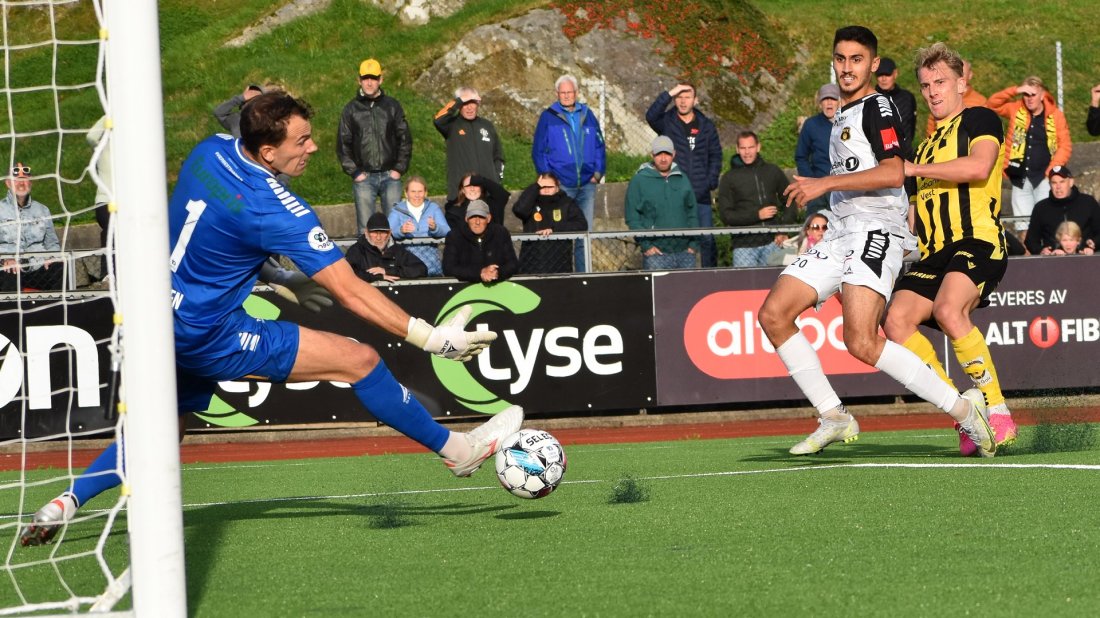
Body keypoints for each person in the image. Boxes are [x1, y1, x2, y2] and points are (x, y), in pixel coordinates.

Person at [21, 92, 521, 546]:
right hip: (207, 332)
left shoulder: (208, 150)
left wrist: (277, 274)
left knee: (162, 429)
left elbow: (212, 229)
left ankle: (66, 501)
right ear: (267, 152)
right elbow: (349, 290)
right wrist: (433, 339)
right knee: (361, 360)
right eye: (301, 140)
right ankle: (457, 450)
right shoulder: (277, 208)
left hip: (150, 319)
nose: (313, 148)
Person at [760, 26, 994, 458]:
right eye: (841, 59)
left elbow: (894, 170)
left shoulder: (879, 108)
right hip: (840, 229)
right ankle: (833, 415)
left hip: (877, 231)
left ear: (872, 64)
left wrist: (822, 184)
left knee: (862, 341)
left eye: (856, 60)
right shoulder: (839, 115)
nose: (847, 67)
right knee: (774, 314)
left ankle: (965, 410)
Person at [885, 41, 1017, 457]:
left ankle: (997, 408)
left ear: (963, 81)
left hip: (977, 240)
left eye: (940, 81)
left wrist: (913, 169)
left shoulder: (979, 118)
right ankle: (964, 413)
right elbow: (912, 217)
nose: (932, 92)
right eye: (925, 85)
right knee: (895, 321)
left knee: (947, 308)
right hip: (935, 254)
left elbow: (979, 167)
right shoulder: (923, 146)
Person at [532, 74, 606, 272]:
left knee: (585, 234)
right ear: (557, 94)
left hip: (587, 184)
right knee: (561, 234)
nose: (566, 96)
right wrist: (550, 179)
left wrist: (598, 173)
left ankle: (585, 275)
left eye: (569, 92)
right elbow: (538, 151)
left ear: (576, 93)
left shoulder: (588, 115)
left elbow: (599, 145)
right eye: (562, 92)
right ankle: (562, 275)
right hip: (562, 185)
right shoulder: (548, 117)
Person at [645, 82, 722, 267]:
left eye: (687, 96)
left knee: (706, 240)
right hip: (674, 195)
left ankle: (709, 279)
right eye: (679, 96)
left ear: (695, 100)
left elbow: (716, 155)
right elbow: (651, 116)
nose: (683, 101)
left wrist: (709, 182)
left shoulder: (706, 125)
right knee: (677, 241)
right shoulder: (667, 122)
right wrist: (670, 92)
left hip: (700, 194)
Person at [986, 75, 1072, 234]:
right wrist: (1016, 90)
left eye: (1033, 94)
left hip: (1045, 177)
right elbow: (992, 104)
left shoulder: (1055, 115)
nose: (1029, 98)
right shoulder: (1016, 108)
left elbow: (1065, 145)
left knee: (1048, 223)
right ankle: (1027, 255)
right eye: (1025, 94)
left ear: (1042, 95)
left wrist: (1051, 171)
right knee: (1022, 225)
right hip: (1020, 177)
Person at [336, 58, 413, 231]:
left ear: (381, 80)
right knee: (365, 228)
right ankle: (367, 259)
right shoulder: (351, 109)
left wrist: (399, 168)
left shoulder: (392, 106)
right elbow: (343, 143)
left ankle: (393, 258)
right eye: (365, 78)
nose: (369, 82)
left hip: (390, 176)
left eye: (373, 78)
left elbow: (404, 138)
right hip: (364, 177)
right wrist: (355, 172)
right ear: (359, 80)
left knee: (395, 227)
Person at [717, 131, 796, 267]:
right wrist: (756, 215)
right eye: (743, 148)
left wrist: (783, 230)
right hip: (743, 246)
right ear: (737, 149)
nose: (747, 152)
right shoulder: (729, 178)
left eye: (751, 147)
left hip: (773, 243)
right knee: (746, 288)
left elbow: (790, 200)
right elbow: (726, 215)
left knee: (776, 286)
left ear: (758, 147)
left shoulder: (772, 171)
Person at [624, 135, 698, 271]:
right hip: (656, 254)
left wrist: (693, 244)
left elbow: (692, 212)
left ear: (674, 154)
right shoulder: (639, 181)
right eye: (659, 154)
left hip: (685, 253)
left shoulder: (683, 179)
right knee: (660, 292)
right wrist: (646, 246)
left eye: (667, 154)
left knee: (688, 292)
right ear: (652, 155)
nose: (663, 159)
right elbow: (632, 217)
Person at [0, 163, 64, 292]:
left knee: (58, 267)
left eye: (25, 179)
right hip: (10, 268)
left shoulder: (42, 210)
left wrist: (52, 257)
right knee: (8, 273)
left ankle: (57, 310)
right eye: (17, 179)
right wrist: (4, 259)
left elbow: (52, 243)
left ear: (30, 182)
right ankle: (11, 312)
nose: (21, 183)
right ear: (7, 183)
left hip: (38, 266)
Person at [433, 87, 504, 201]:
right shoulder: (451, 125)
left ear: (478, 104)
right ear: (459, 104)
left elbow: (498, 155)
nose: (470, 108)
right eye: (465, 103)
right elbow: (438, 119)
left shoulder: (487, 126)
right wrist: (459, 100)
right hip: (461, 194)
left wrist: (496, 178)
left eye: (473, 103)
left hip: (488, 193)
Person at [512, 172, 588, 274]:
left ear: (557, 188)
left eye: (550, 187)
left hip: (560, 264)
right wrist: (534, 187)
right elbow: (519, 210)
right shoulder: (531, 203)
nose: (546, 190)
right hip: (531, 264)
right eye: (543, 187)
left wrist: (555, 229)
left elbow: (581, 224)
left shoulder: (566, 203)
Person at [1024, 166, 1099, 255]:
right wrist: (1041, 250)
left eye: (1062, 182)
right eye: (1054, 183)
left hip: (1086, 259)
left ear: (1071, 182)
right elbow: (1031, 240)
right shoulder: (1041, 208)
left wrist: (1093, 244)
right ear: (1050, 185)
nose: (1058, 187)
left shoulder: (1088, 203)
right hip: (1053, 261)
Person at [442, 199, 518, 284]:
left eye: (481, 217)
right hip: (465, 290)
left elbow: (512, 264)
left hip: (497, 287)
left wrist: (497, 272)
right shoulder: (455, 236)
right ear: (466, 218)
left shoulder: (500, 233)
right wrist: (480, 272)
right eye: (473, 217)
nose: (477, 222)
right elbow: (449, 268)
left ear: (488, 218)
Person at [388, 176, 450, 276]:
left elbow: (447, 230)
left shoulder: (433, 208)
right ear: (406, 193)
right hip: (406, 265)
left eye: (420, 191)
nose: (417, 195)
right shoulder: (397, 210)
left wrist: (435, 228)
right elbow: (387, 232)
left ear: (425, 193)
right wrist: (401, 230)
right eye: (413, 191)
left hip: (431, 265)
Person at [795, 83, 841, 216]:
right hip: (818, 189)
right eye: (825, 99)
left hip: (843, 188)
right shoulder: (811, 124)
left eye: (832, 99)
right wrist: (811, 181)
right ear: (820, 103)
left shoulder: (848, 123)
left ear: (839, 101)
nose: (829, 103)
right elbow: (801, 156)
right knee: (816, 228)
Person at [345, 212, 428, 282]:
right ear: (366, 232)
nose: (378, 237)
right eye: (374, 233)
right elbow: (347, 273)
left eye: (382, 232)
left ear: (389, 233)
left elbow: (421, 269)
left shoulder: (397, 251)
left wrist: (387, 271)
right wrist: (378, 277)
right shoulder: (357, 250)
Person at [925, 59, 985, 138]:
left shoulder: (980, 102)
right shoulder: (940, 97)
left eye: (961, 72)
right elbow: (931, 129)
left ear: (970, 75)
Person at [86, 116, 112, 284]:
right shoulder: (104, 146)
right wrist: (112, 112)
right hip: (106, 202)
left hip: (130, 206)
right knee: (113, 230)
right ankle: (109, 274)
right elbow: (90, 136)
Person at [874, 57, 917, 150]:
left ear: (895, 74)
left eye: (887, 74)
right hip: (878, 156)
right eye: (880, 75)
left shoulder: (908, 98)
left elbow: (911, 127)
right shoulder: (869, 99)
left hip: (905, 155)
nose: (883, 79)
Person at [442, 172, 509, 230]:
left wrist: (482, 181)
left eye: (476, 185)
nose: (472, 189)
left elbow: (503, 195)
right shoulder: (453, 211)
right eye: (468, 186)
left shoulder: (492, 205)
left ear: (482, 188)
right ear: (462, 190)